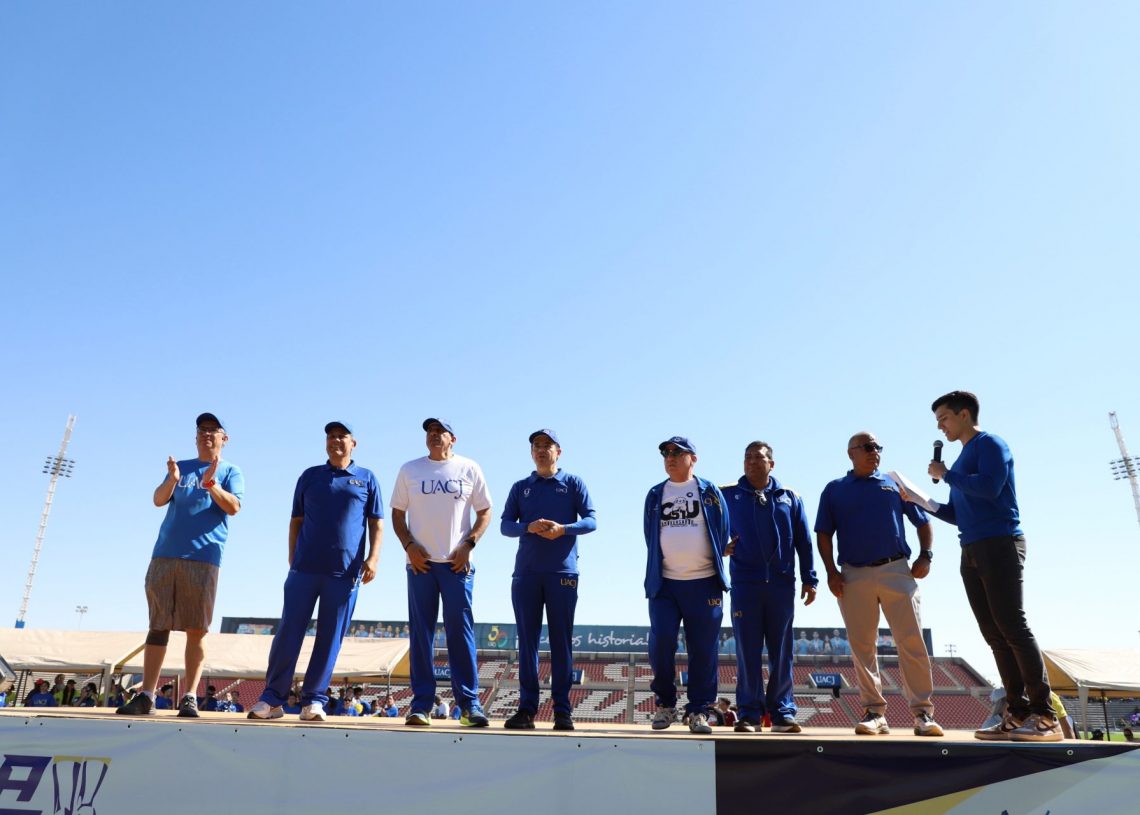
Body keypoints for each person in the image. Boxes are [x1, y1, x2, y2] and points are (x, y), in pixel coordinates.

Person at [920, 390, 1061, 742]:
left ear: (964, 414)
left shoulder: (990, 444)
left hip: (1000, 542)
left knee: (1013, 626)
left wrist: (946, 474)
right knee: (994, 634)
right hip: (970, 547)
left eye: (944, 418)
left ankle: (1045, 716)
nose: (940, 426)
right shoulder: (961, 461)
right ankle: (1017, 711)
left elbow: (990, 487)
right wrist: (921, 501)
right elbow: (958, 512)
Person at [247, 421, 383, 723]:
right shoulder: (310, 476)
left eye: (341, 436)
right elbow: (295, 520)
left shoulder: (367, 478)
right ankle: (272, 699)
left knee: (329, 637)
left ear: (353, 443)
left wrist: (373, 558)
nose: (335, 440)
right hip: (304, 569)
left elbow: (376, 522)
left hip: (344, 572)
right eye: (330, 436)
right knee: (288, 632)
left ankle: (314, 701)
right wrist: (292, 557)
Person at [814, 432, 943, 738]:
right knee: (862, 646)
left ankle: (922, 713)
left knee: (912, 641)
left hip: (896, 568)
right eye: (868, 447)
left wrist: (926, 555)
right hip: (853, 574)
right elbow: (823, 533)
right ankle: (874, 713)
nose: (875, 452)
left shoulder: (893, 483)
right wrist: (831, 572)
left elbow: (923, 521)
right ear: (851, 453)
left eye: (877, 447)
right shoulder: (834, 489)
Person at [118, 412, 244, 718]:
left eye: (213, 430)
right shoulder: (182, 468)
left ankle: (189, 696)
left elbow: (234, 507)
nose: (206, 434)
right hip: (165, 555)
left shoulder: (231, 470)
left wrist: (212, 485)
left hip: (203, 557)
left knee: (196, 629)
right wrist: (173, 480)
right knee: (157, 626)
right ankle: (146, 695)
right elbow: (158, 500)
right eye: (202, 430)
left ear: (224, 438)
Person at [390, 418, 492, 728]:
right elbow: (397, 514)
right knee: (421, 634)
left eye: (440, 432)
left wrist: (469, 544)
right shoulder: (410, 469)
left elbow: (485, 511)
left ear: (453, 439)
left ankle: (469, 705)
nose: (434, 435)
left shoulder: (469, 468)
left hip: (457, 564)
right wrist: (409, 545)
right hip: (420, 564)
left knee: (460, 632)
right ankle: (421, 705)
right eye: (430, 432)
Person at [500, 429, 597, 732]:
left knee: (561, 643)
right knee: (527, 643)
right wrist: (527, 527)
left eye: (547, 445)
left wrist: (563, 529)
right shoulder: (521, 487)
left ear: (559, 452)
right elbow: (505, 526)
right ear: (532, 453)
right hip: (526, 573)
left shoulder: (573, 483)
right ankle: (527, 709)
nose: (541, 450)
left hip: (562, 573)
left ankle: (562, 711)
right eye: (536, 446)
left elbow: (591, 521)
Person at [722, 440, 818, 734]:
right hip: (745, 585)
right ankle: (749, 714)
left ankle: (782, 713)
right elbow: (708, 530)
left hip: (781, 585)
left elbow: (804, 541)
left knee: (782, 652)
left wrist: (810, 578)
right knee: (747, 651)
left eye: (758, 457)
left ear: (771, 464)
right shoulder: (727, 495)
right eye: (747, 457)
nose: (751, 461)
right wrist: (719, 547)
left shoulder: (790, 497)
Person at [643, 436, 731, 735]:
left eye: (677, 452)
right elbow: (650, 536)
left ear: (693, 458)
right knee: (661, 643)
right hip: (665, 584)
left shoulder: (709, 491)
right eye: (665, 453)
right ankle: (665, 704)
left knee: (703, 650)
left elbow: (722, 529)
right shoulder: (655, 494)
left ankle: (698, 711)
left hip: (704, 583)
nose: (670, 457)